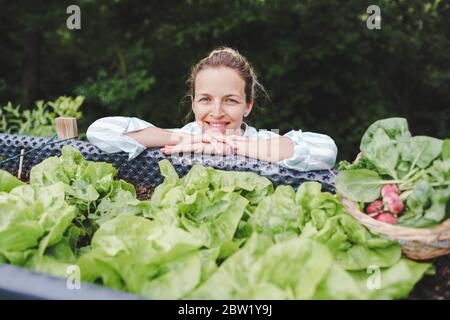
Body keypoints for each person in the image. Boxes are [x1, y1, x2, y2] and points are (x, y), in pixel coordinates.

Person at [87, 47, 337, 171]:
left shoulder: (262, 141)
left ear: (247, 105)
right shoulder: (180, 139)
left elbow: (325, 151)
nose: (216, 112)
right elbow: (100, 132)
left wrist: (233, 146)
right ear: (193, 102)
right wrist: (187, 138)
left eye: (230, 100)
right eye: (206, 99)